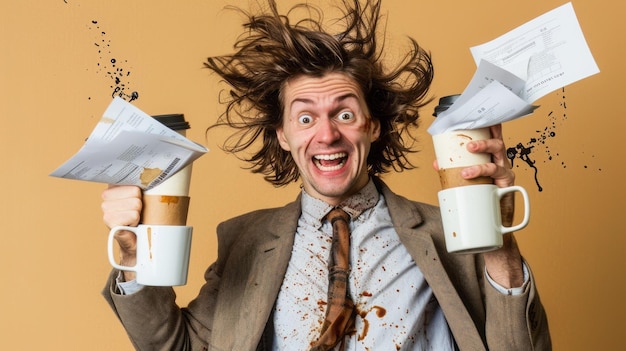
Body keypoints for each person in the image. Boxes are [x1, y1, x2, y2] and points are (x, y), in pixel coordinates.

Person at [100, 0, 551, 350]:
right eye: (305, 118)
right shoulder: (245, 242)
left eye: (345, 114)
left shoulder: (451, 235)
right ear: (282, 135)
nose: (327, 134)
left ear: (373, 126)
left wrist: (500, 241)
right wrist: (133, 260)